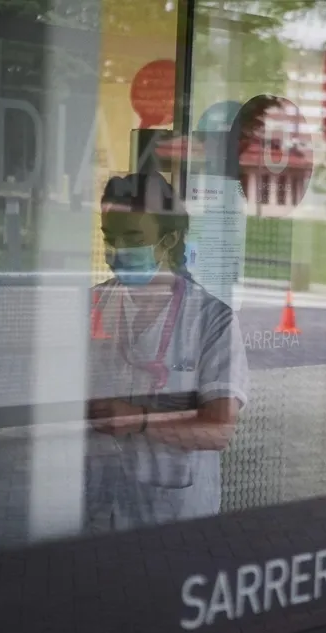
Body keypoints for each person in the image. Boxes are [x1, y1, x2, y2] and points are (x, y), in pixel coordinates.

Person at [85, 171, 249, 532]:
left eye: (132, 238)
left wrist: (141, 420)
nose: (116, 252)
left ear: (168, 240)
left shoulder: (211, 320)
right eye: (109, 238)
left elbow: (219, 431)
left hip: (172, 517)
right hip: (96, 510)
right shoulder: (92, 306)